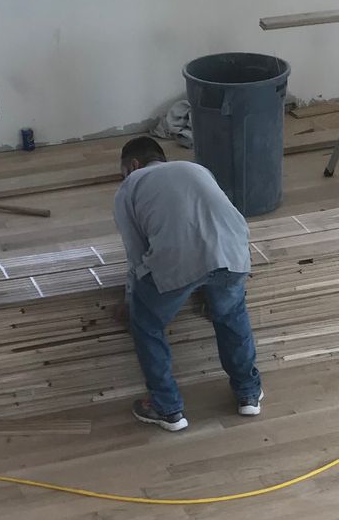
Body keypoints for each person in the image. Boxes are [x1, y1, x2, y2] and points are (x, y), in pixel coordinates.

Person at [113, 135, 264, 433]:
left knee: (146, 324)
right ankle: (248, 393)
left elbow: (136, 253)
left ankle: (167, 408)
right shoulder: (197, 169)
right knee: (231, 315)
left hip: (177, 259)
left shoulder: (130, 185)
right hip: (233, 252)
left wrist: (132, 300)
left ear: (132, 164)